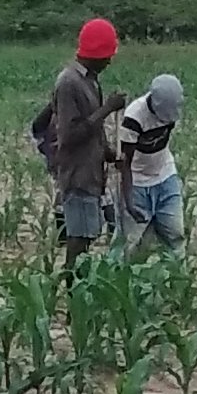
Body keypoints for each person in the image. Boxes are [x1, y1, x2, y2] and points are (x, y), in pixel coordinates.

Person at [46, 18, 125, 280]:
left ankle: (76, 299)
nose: (110, 61)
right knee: (78, 245)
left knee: (86, 240)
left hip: (91, 174)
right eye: (107, 55)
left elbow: (92, 131)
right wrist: (107, 109)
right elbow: (69, 135)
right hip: (77, 176)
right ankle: (72, 303)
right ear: (96, 54)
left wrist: (109, 153)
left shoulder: (91, 81)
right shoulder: (69, 83)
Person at [115, 73, 185, 256]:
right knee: (128, 244)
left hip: (165, 175)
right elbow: (125, 163)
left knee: (175, 236)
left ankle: (176, 281)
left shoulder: (172, 110)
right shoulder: (134, 118)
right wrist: (129, 203)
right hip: (137, 182)